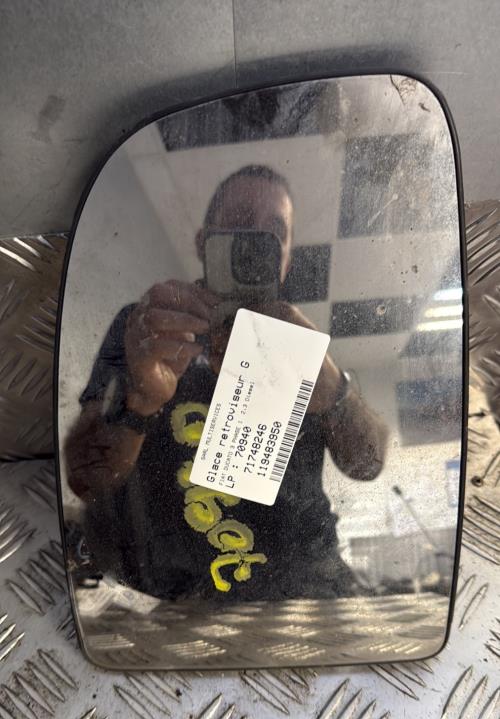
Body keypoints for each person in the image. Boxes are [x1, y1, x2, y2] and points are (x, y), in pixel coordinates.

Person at [65, 164, 388, 601]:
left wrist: (335, 392)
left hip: (312, 588)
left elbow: (368, 465)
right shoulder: (146, 327)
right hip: (181, 598)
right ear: (203, 242)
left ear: (287, 259)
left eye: (274, 232)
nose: (255, 240)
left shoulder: (302, 343)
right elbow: (87, 481)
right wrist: (138, 401)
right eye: (238, 221)